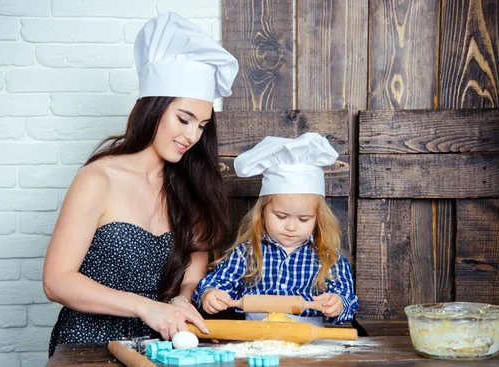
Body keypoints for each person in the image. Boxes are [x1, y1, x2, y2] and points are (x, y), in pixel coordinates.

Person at [43, 12, 239, 357]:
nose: (192, 135)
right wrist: (145, 306)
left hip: (156, 348)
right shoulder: (98, 178)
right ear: (152, 108)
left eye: (202, 126)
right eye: (184, 119)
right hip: (85, 345)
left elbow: (194, 265)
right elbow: (57, 280)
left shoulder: (191, 187)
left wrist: (181, 298)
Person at [192, 133, 359, 327]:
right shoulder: (246, 253)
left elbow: (348, 299)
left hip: (309, 338)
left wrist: (338, 304)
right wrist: (211, 293)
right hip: (255, 336)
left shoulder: (329, 258)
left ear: (318, 219)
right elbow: (218, 282)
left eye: (303, 219)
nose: (290, 226)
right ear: (262, 213)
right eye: (281, 216)